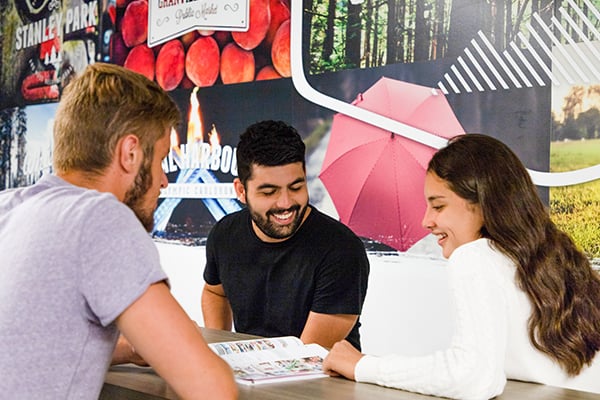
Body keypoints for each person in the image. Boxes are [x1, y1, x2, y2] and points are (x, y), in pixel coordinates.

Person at [0, 63, 237, 400]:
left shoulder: (9, 207)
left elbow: (31, 347)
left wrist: (127, 350)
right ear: (130, 154)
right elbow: (212, 389)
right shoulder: (100, 217)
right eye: (161, 160)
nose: (164, 181)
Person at [323, 133, 600, 398]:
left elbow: (474, 378)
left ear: (481, 204)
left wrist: (362, 366)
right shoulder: (551, 255)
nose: (426, 221)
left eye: (439, 206)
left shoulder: (474, 257)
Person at [201, 120, 370, 350]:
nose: (286, 203)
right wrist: (220, 348)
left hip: (317, 379)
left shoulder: (341, 250)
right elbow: (215, 292)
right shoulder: (224, 235)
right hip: (249, 374)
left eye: (296, 187)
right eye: (269, 192)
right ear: (241, 190)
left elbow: (305, 356)